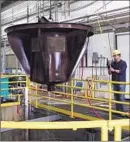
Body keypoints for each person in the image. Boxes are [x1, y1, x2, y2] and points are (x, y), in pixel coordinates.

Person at [107, 50, 127, 116]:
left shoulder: (123, 63)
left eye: (116, 55)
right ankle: (118, 111)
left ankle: (123, 112)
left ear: (119, 55)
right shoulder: (112, 63)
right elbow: (109, 73)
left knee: (121, 97)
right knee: (116, 97)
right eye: (114, 56)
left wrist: (114, 70)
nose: (115, 57)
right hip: (114, 82)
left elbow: (121, 71)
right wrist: (109, 67)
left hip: (121, 82)